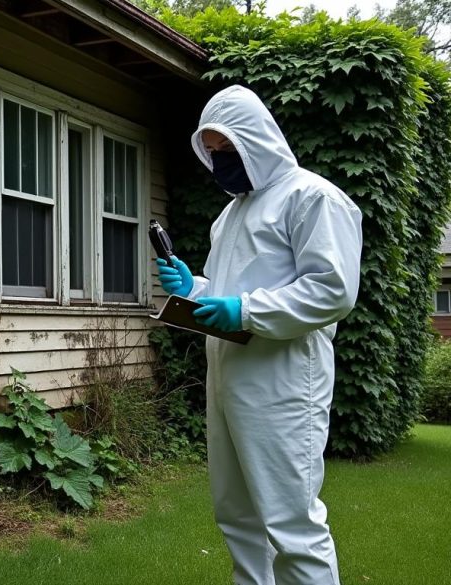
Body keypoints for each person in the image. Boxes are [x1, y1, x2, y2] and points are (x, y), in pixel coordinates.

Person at [156, 85, 362, 585]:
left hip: (285, 381)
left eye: (228, 147)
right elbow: (231, 293)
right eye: (213, 151)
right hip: (228, 379)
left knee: (292, 524)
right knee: (238, 518)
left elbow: (333, 289)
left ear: (256, 139)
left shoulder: (312, 197)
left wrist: (241, 311)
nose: (221, 160)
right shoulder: (230, 215)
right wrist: (196, 289)